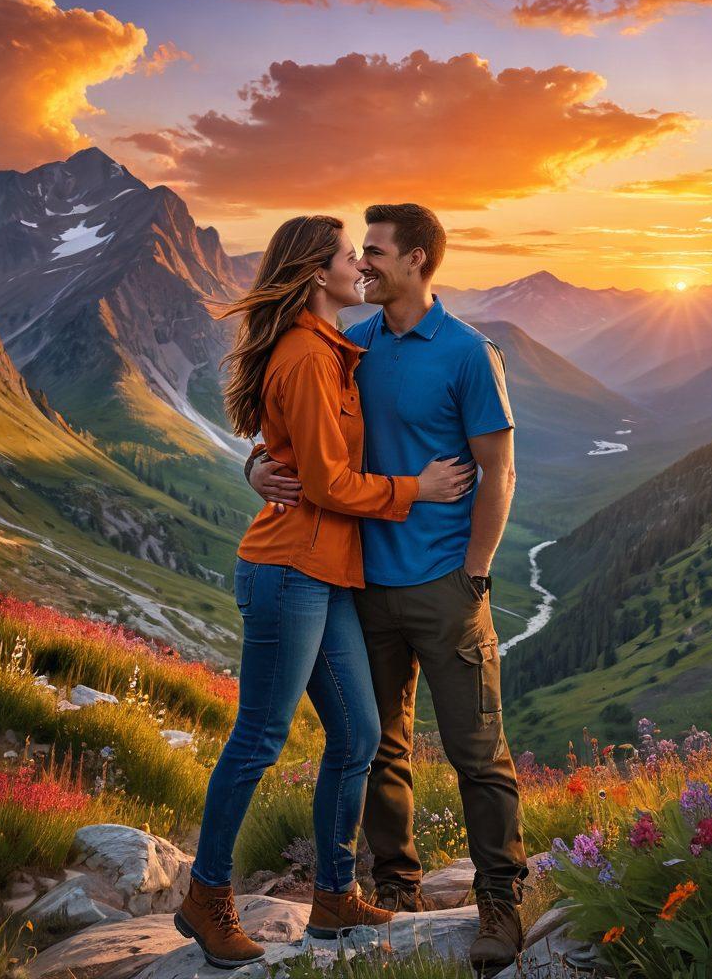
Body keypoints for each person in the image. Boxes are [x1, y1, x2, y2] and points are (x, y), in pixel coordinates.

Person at [175, 215, 474, 970]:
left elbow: (292, 451)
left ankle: (336, 896)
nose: (359, 268)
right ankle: (207, 897)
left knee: (359, 736)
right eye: (349, 257)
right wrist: (422, 488)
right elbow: (327, 481)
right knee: (260, 738)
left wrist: (256, 462)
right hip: (289, 573)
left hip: (330, 573)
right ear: (317, 274)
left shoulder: (336, 349)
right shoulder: (310, 358)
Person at [248, 204, 529, 975]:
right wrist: (254, 467)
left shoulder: (472, 354)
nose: (362, 264)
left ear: (416, 261)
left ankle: (501, 902)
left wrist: (476, 568)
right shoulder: (351, 342)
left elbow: (499, 470)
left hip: (445, 584)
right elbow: (293, 425)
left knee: (479, 752)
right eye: (358, 253)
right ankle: (396, 890)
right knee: (377, 749)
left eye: (374, 253)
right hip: (363, 587)